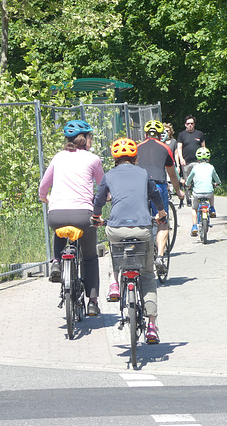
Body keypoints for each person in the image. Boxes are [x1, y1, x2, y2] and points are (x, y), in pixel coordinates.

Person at [91, 138, 166, 344]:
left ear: (114, 158)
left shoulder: (108, 175)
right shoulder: (143, 173)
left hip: (116, 229)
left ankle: (114, 283)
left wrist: (96, 218)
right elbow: (155, 195)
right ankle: (151, 326)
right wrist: (161, 213)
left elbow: (99, 200)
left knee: (115, 249)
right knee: (148, 275)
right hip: (142, 229)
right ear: (135, 157)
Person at [38, 119, 105, 316]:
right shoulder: (93, 159)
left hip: (56, 215)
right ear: (85, 139)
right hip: (83, 216)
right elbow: (102, 188)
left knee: (60, 228)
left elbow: (43, 186)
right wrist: (107, 198)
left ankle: (57, 261)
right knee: (90, 257)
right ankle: (92, 301)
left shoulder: (58, 157)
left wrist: (45, 198)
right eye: (90, 137)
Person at [137, 120, 184, 272]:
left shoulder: (137, 148)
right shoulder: (165, 148)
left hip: (140, 187)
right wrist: (178, 191)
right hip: (158, 186)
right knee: (162, 221)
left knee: (141, 220)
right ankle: (160, 257)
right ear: (160, 135)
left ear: (145, 135)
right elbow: (172, 173)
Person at [186, 147, 221, 236]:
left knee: (194, 208)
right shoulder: (211, 167)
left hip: (197, 193)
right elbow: (216, 178)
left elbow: (189, 179)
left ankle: (194, 226)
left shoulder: (195, 168)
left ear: (197, 159)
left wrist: (187, 184)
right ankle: (212, 208)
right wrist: (217, 183)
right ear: (209, 158)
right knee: (211, 193)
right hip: (208, 192)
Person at [177, 115, 205, 206]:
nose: (190, 125)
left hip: (198, 162)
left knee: (197, 180)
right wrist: (181, 159)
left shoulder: (199, 134)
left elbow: (203, 147)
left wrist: (204, 159)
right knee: (187, 181)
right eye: (188, 123)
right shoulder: (182, 135)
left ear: (194, 124)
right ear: (185, 124)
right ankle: (188, 199)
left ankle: (197, 197)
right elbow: (179, 148)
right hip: (186, 162)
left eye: (191, 123)